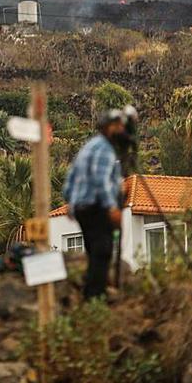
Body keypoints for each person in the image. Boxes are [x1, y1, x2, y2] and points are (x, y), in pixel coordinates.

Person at [62, 109, 127, 301]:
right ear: (110, 127)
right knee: (103, 249)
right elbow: (101, 180)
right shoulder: (105, 149)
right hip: (96, 206)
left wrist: (69, 201)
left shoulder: (89, 146)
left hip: (82, 207)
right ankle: (95, 296)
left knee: (93, 250)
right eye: (119, 126)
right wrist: (111, 207)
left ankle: (91, 292)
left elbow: (71, 176)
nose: (122, 130)